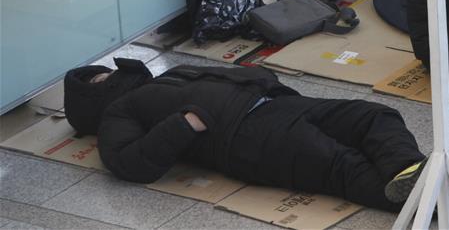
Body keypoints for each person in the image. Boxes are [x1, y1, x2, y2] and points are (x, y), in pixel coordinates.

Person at [63, 58, 428, 211]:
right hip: (244, 137)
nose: (107, 75)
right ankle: (432, 202)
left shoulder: (166, 76)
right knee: (341, 165)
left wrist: (259, 77)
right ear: (91, 99)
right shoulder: (118, 111)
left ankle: (411, 172)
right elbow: (128, 162)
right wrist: (184, 124)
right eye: (97, 79)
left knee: (373, 114)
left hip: (275, 105)